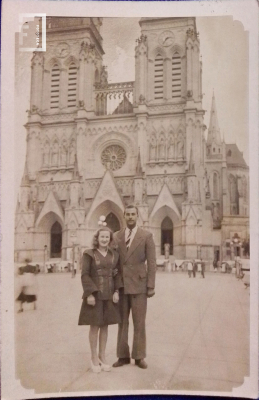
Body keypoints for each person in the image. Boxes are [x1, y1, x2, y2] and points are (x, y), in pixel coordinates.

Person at [113, 204, 156, 370]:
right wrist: (114, 286)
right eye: (128, 214)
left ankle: (139, 356)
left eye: (133, 214)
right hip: (122, 285)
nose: (130, 217)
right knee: (122, 322)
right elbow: (114, 261)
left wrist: (150, 285)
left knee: (139, 322)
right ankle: (122, 355)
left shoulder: (146, 236)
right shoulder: (116, 237)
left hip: (139, 285)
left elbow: (151, 262)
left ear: (137, 216)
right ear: (124, 216)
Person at [78, 227, 122, 373]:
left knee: (105, 326)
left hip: (109, 295)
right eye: (102, 237)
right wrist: (89, 293)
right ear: (97, 238)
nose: (104, 239)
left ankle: (102, 356)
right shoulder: (89, 254)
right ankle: (93, 358)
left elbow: (117, 275)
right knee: (95, 326)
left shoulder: (114, 255)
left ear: (110, 239)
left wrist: (116, 291)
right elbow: (85, 275)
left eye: (107, 237)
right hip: (95, 296)